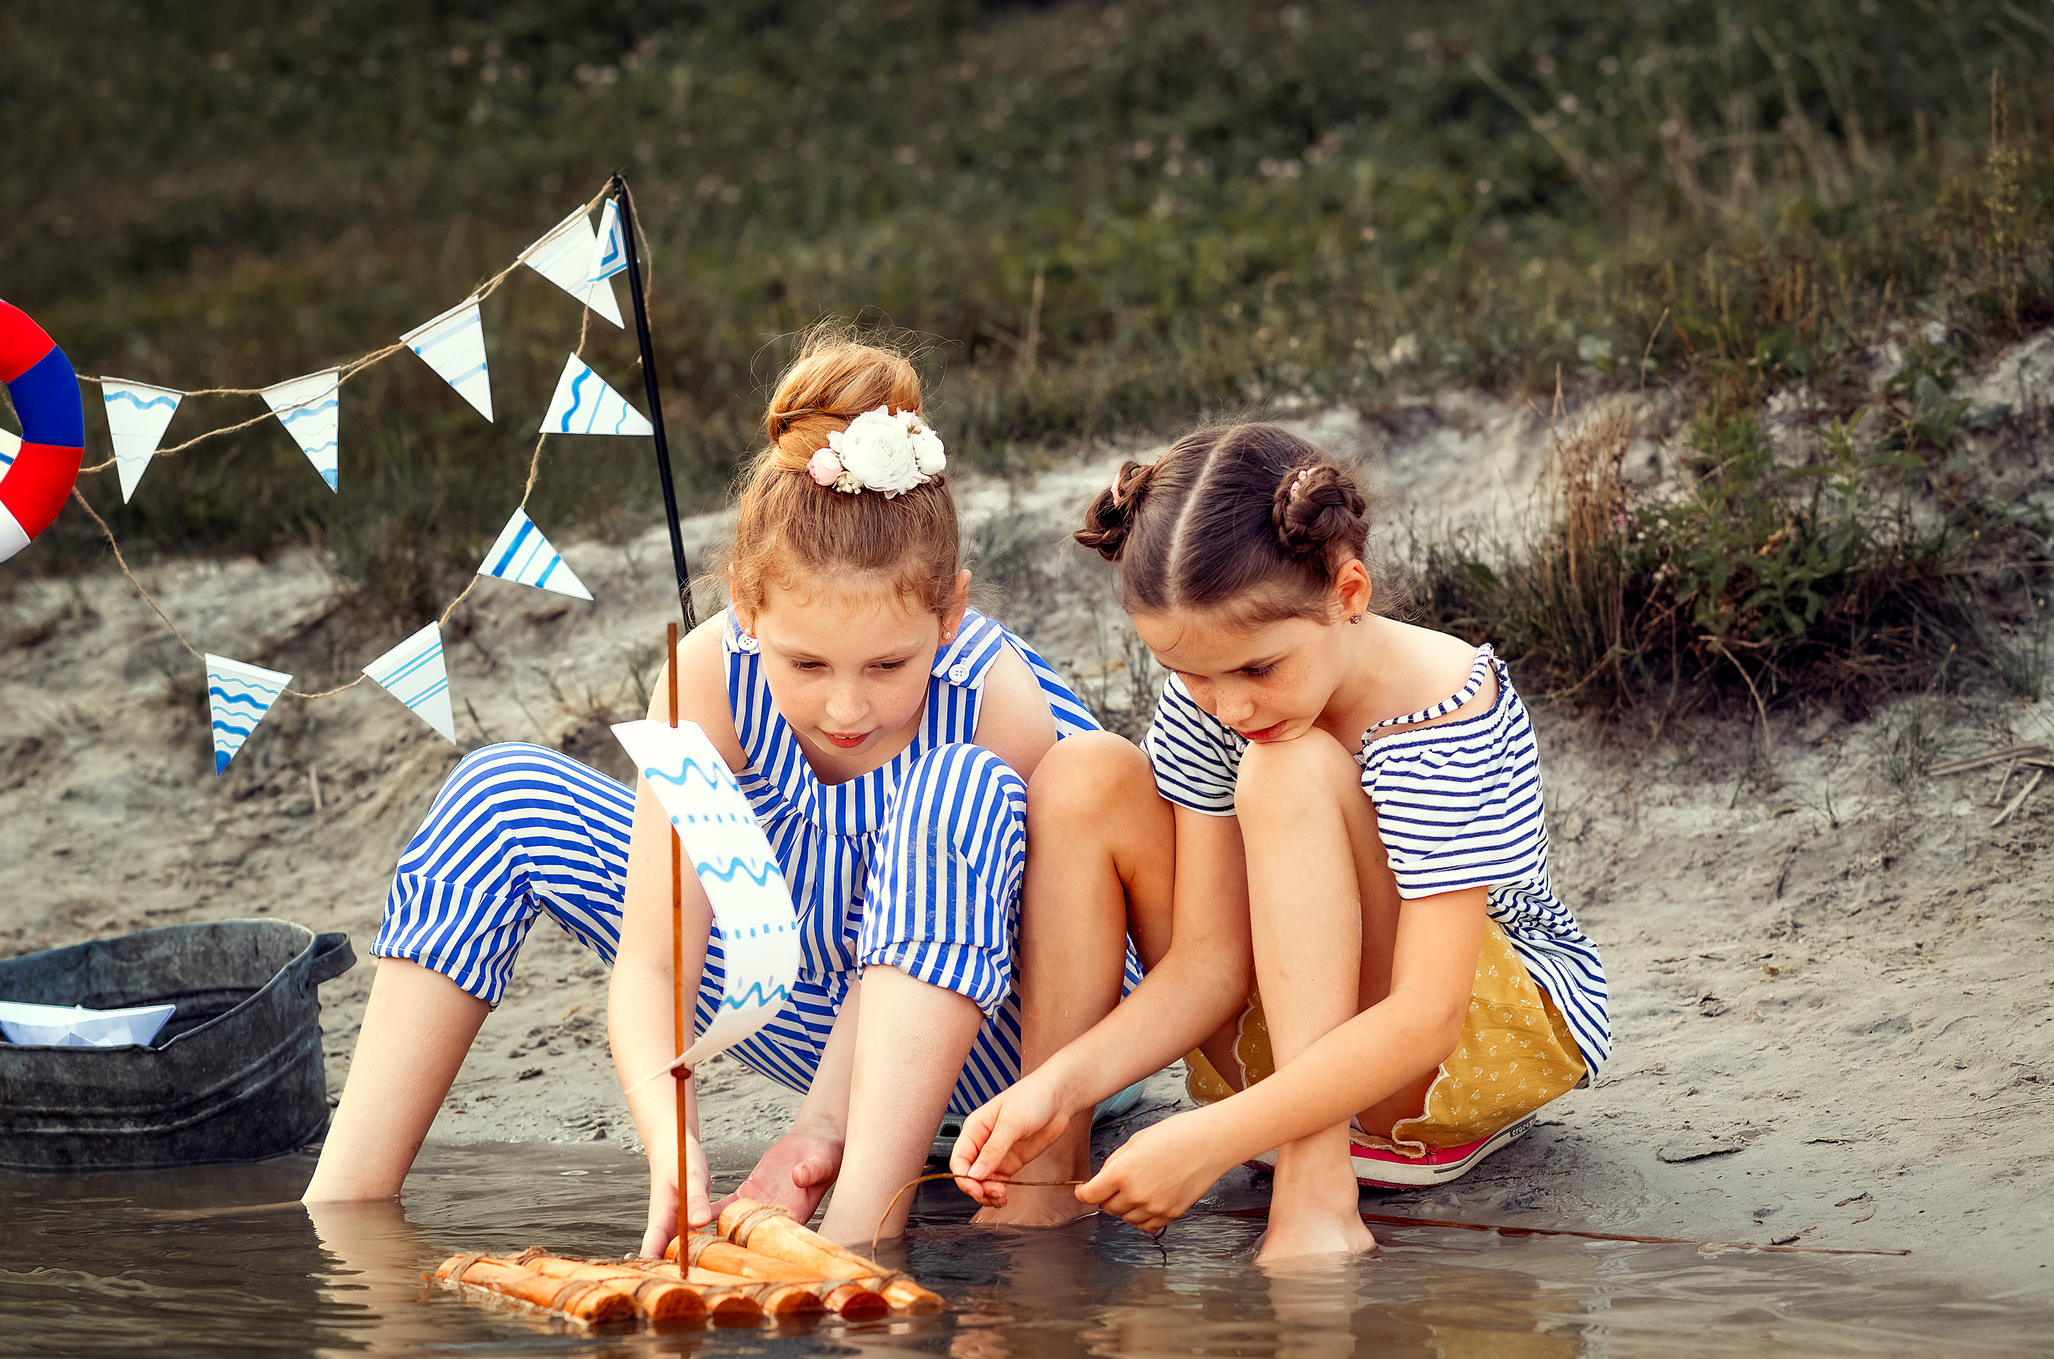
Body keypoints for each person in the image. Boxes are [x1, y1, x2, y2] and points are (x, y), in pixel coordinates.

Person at [302, 330, 1112, 1254]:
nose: (847, 706)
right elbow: (657, 959)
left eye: (890, 663)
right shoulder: (709, 680)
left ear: (950, 612)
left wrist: (829, 1125)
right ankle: (346, 1223)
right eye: (804, 661)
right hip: (815, 988)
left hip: (997, 1037)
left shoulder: (991, 696)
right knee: (497, 795)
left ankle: (863, 1235)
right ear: (744, 602)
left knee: (949, 789)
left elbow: (1057, 954)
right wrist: (669, 1140)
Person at [951, 422, 1610, 1262]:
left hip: (1448, 1051)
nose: (1228, 706)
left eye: (1258, 669)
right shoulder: (1216, 699)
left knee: (1286, 770)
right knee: (1086, 774)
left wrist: (1215, 1136)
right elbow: (1209, 959)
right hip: (1286, 1031)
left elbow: (1427, 1016)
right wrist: (1058, 1084)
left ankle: (1314, 1185)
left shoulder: (1442, 710)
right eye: (1189, 673)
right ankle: (1043, 1173)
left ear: (1349, 592)